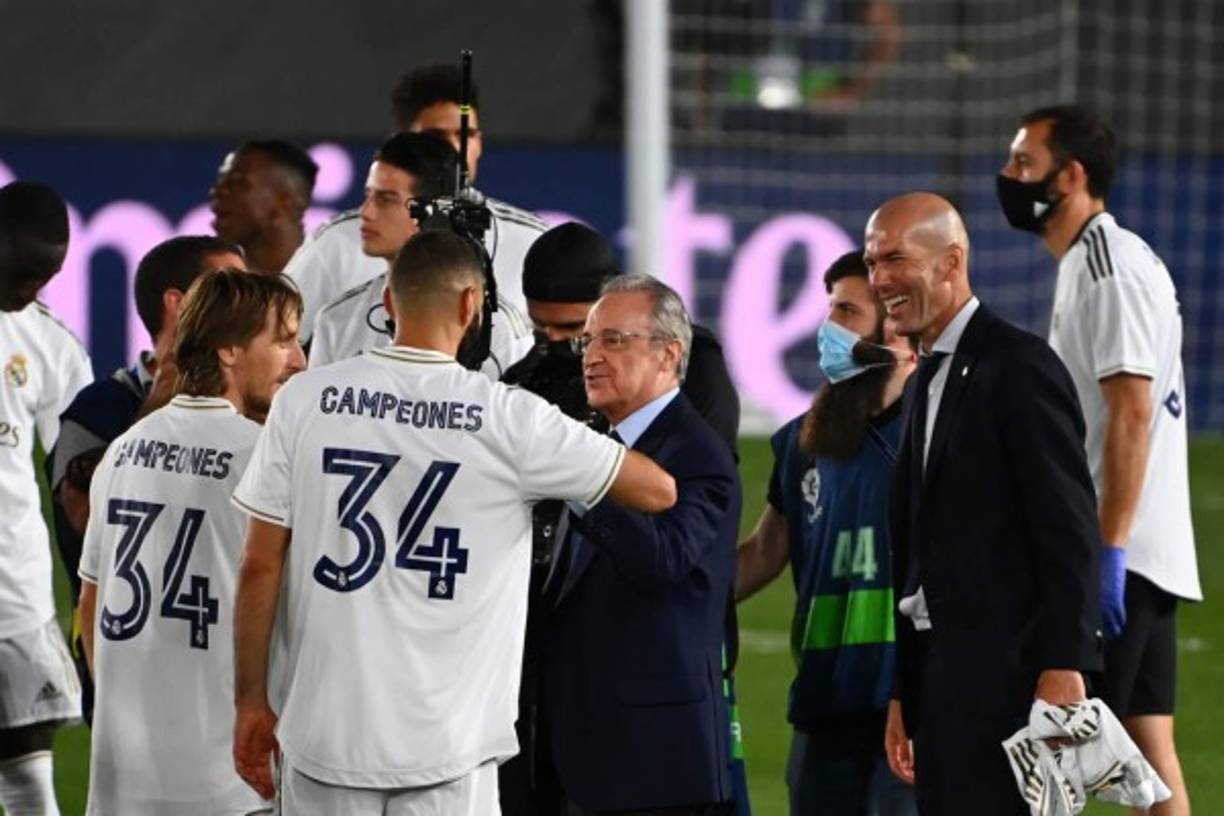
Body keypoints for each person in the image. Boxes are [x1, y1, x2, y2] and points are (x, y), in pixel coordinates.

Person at [230, 230, 677, 813]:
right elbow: (658, 491)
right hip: (449, 746)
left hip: (325, 736)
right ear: (472, 304)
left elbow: (260, 564)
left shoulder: (305, 400)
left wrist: (250, 702)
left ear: (388, 302)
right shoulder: (510, 418)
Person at [866, 192, 1102, 814]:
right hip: (944, 687)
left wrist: (1064, 665)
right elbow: (921, 552)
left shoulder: (1018, 366)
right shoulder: (925, 381)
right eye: (871, 263)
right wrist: (905, 692)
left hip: (1013, 683)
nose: (879, 279)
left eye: (894, 259)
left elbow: (1069, 527)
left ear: (950, 262)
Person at [500, 224, 744, 815]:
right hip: (583, 754)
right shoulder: (596, 444)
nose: (590, 357)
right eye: (588, 342)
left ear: (668, 354)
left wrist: (584, 481)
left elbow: (664, 561)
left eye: (613, 340)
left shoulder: (696, 454)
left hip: (654, 764)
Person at [999, 105, 1199, 815]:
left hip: (1120, 550)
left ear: (1073, 174)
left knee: (1048, 752)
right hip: (1145, 547)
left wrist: (1105, 552)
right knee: (1150, 759)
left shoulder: (1106, 268)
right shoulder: (1091, 263)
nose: (1010, 177)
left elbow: (1132, 411)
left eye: (1024, 162)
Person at [78, 269, 305, 815]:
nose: (298, 360)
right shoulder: (266, 457)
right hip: (231, 785)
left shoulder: (125, 449)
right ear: (229, 351)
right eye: (283, 340)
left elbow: (90, 605)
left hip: (124, 783)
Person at [736, 249, 917, 815]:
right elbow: (767, 549)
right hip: (822, 705)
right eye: (830, 309)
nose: (828, 328)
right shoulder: (801, 442)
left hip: (909, 707)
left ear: (896, 324)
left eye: (847, 312)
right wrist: (677, 589)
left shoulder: (940, 434)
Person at [50, 234, 245, 723]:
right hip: (128, 666)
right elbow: (88, 525)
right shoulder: (95, 412)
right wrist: (160, 406)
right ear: (178, 304)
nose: (248, 303)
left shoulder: (258, 406)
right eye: (228, 289)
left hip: (226, 666)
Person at [285, 62, 546, 344]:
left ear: (479, 143)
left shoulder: (531, 242)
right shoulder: (339, 243)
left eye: (464, 135)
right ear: (405, 142)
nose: (454, 149)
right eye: (436, 137)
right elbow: (278, 342)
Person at [0, 180, 92, 815]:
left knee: (30, 778)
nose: (34, 288)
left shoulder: (50, 345)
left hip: (16, 593)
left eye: (48, 275)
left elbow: (78, 480)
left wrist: (88, 597)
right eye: (26, 268)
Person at [308, 132, 533, 378]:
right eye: (368, 195)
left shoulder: (499, 329)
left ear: (434, 211)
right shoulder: (336, 320)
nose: (366, 212)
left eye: (386, 199)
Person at [210, 139, 318, 274]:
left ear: (285, 203)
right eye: (222, 181)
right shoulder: (215, 286)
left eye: (238, 181)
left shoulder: (333, 282)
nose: (218, 191)